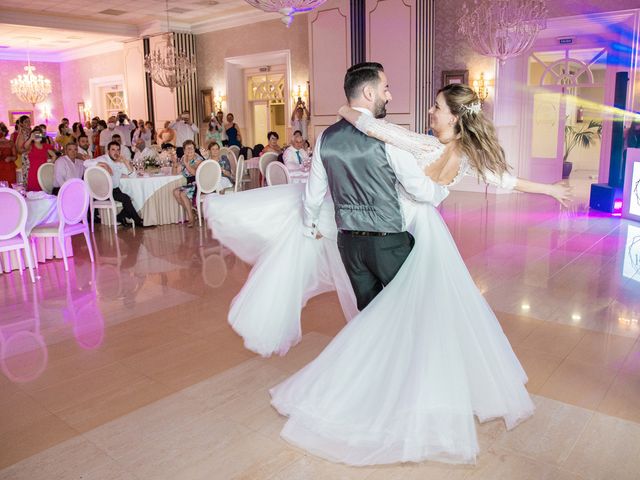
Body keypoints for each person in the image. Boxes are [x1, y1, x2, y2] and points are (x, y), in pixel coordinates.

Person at [204, 64, 572, 465]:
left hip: (384, 237)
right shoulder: (412, 142)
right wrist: (358, 119)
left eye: (436, 108)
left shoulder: (394, 144)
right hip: (399, 235)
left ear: (455, 116)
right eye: (387, 89)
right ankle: (395, 395)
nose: (426, 111)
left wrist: (550, 190)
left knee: (384, 317)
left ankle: (382, 391)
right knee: (396, 319)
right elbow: (400, 158)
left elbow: (504, 179)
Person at [85, 141, 147, 228]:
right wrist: (102, 164)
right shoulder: (103, 158)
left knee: (131, 196)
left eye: (118, 150)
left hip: (115, 190)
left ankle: (120, 217)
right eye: (113, 149)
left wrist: (125, 161)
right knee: (126, 198)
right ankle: (137, 220)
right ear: (108, 151)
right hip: (102, 191)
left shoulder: (119, 162)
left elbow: (132, 175)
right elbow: (86, 163)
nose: (116, 152)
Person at [172, 140, 203, 228]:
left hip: (198, 182)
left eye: (191, 148)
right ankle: (192, 212)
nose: (189, 150)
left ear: (194, 149)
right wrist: (174, 163)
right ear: (184, 150)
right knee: (175, 192)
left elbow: (194, 173)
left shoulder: (198, 159)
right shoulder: (183, 158)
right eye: (187, 148)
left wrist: (186, 163)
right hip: (190, 183)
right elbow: (175, 173)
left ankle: (191, 218)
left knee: (182, 193)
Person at [24, 126, 56, 191]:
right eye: (35, 134)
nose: (37, 135)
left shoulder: (45, 146)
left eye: (39, 134)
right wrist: (31, 138)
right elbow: (25, 146)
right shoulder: (31, 146)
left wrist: (48, 164)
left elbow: (54, 156)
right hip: (33, 172)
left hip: (43, 172)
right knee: (33, 191)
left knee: (44, 190)